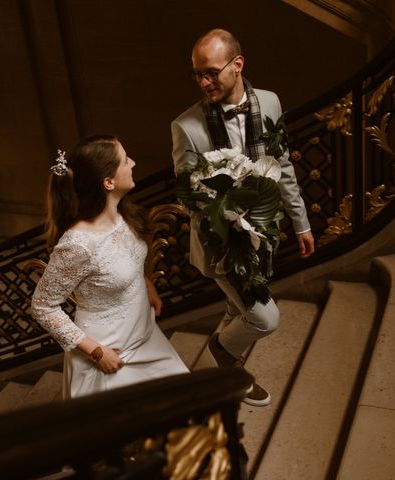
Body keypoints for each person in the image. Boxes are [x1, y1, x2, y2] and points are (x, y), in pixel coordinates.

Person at [171, 29, 315, 406]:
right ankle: (224, 353)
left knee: (238, 309)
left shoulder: (269, 102)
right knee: (265, 318)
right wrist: (226, 204)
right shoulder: (186, 126)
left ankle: (226, 379)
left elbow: (281, 165)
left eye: (212, 72)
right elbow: (187, 195)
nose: (204, 82)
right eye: (197, 74)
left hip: (265, 232)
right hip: (222, 243)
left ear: (237, 65)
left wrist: (301, 222)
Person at [31, 134, 188, 399]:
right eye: (125, 160)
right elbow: (42, 306)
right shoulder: (78, 245)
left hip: (145, 335)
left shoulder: (122, 213)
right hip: (110, 353)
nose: (133, 163)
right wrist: (97, 352)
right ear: (108, 182)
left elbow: (123, 260)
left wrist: (145, 283)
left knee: (185, 405)